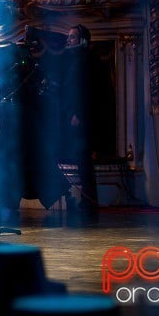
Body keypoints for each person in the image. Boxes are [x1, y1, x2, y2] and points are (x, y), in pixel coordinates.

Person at [58, 24, 100, 221]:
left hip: (83, 120)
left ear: (82, 40)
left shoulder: (87, 60)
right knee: (81, 162)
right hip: (74, 118)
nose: (69, 40)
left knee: (84, 164)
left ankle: (89, 202)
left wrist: (78, 114)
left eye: (73, 37)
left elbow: (89, 91)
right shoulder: (74, 60)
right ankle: (86, 201)